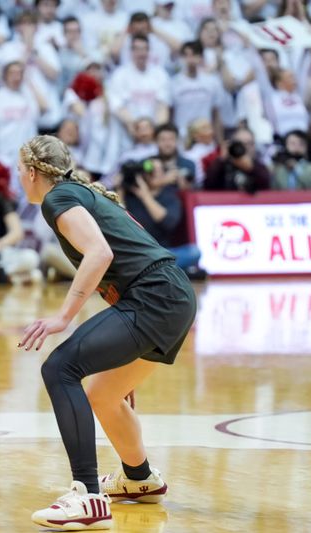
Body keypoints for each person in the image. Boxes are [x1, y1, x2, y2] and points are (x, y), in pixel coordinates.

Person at [17, 135, 196, 531]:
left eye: (19, 172)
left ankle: (87, 495)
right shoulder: (79, 192)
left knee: (60, 368)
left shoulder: (58, 198)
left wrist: (62, 317)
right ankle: (139, 478)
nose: (19, 179)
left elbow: (100, 254)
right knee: (103, 393)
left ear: (31, 173)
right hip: (172, 295)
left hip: (154, 296)